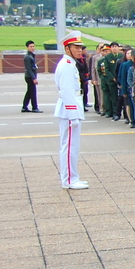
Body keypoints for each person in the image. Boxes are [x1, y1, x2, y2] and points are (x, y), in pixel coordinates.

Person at [55, 31, 89, 190]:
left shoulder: (69, 64)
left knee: (72, 147)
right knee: (69, 147)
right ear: (67, 48)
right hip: (69, 111)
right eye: (76, 47)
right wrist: (73, 115)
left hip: (72, 108)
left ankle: (72, 177)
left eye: (80, 47)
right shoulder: (67, 66)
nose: (79, 50)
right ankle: (69, 179)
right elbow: (67, 92)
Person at [22, 40, 41, 113]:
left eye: (33, 46)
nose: (32, 48)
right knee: (33, 92)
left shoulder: (31, 55)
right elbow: (29, 69)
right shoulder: (28, 57)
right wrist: (34, 78)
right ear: (27, 47)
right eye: (31, 46)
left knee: (29, 92)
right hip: (30, 77)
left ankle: (24, 107)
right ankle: (35, 107)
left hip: (30, 76)